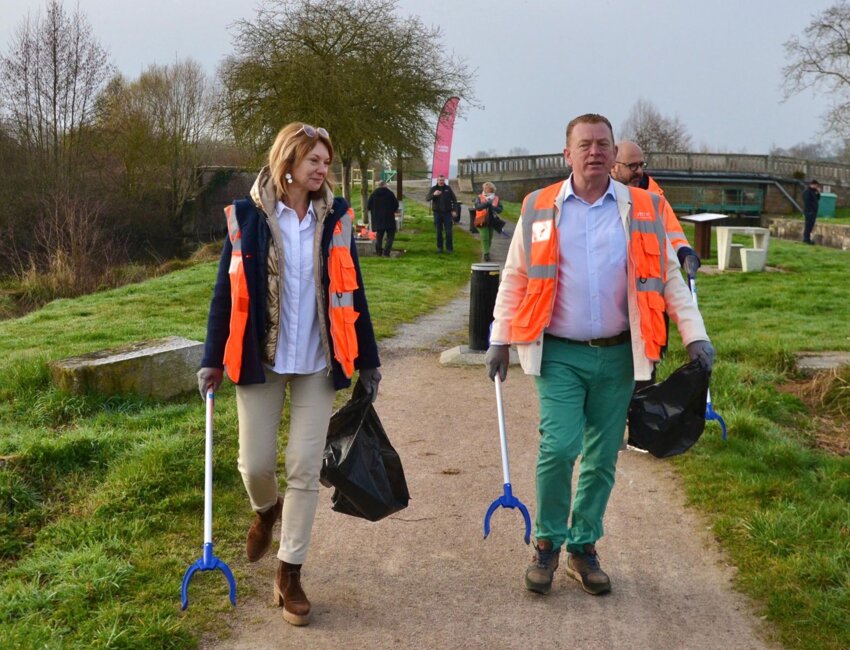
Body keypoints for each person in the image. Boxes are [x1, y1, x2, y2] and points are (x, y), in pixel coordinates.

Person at [485, 113, 714, 598]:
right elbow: (516, 277)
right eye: (584, 144)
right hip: (559, 352)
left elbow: (669, 279)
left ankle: (583, 547)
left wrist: (694, 335)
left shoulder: (645, 207)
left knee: (603, 456)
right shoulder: (539, 206)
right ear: (566, 154)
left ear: (615, 154)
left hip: (619, 354)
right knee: (560, 446)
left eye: (603, 144)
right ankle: (547, 541)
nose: (595, 152)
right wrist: (499, 339)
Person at [197, 122, 382, 627]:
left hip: (319, 363)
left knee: (304, 468)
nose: (323, 170)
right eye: (314, 162)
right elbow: (224, 294)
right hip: (260, 361)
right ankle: (265, 510)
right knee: (254, 464)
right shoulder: (246, 218)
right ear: (288, 164)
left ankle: (290, 572)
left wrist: (368, 361)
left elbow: (353, 294)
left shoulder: (338, 218)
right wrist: (212, 359)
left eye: (326, 162)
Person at [612, 139, 702, 390]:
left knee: (644, 378)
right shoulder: (598, 196)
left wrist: (683, 251)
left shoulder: (653, 196)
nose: (639, 171)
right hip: (615, 304)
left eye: (641, 165)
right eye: (632, 166)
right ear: (613, 166)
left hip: (648, 301)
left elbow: (670, 230)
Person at [425, 174, 458, 253]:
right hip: (437, 213)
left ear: (444, 181)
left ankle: (449, 249)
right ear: (437, 180)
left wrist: (454, 210)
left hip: (447, 213)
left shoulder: (448, 189)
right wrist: (434, 194)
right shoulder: (434, 188)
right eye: (440, 180)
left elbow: (454, 200)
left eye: (443, 180)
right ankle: (440, 248)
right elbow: (427, 198)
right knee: (439, 231)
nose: (441, 182)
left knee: (448, 231)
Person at [367, 180, 400, 257]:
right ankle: (386, 252)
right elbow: (396, 205)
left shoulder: (373, 194)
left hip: (378, 219)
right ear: (385, 185)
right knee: (390, 236)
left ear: (378, 186)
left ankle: (379, 252)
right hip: (389, 218)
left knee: (379, 236)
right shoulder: (390, 194)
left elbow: (368, 206)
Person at [473, 181, 504, 262]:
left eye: (489, 189)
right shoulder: (479, 197)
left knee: (489, 238)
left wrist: (493, 207)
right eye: (486, 188)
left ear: (492, 189)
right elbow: (478, 207)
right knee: (485, 237)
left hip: (491, 220)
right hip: (481, 220)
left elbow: (500, 209)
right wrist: (487, 204)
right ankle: (486, 254)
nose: (487, 190)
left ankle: (486, 251)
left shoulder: (496, 198)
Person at [802, 179, 821, 244]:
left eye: (817, 186)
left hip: (813, 211)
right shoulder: (807, 191)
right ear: (811, 185)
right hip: (809, 212)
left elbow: (817, 198)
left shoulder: (813, 191)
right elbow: (807, 202)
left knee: (810, 226)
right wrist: (810, 211)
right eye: (815, 185)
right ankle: (806, 239)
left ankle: (807, 239)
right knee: (808, 226)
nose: (816, 187)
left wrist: (818, 193)